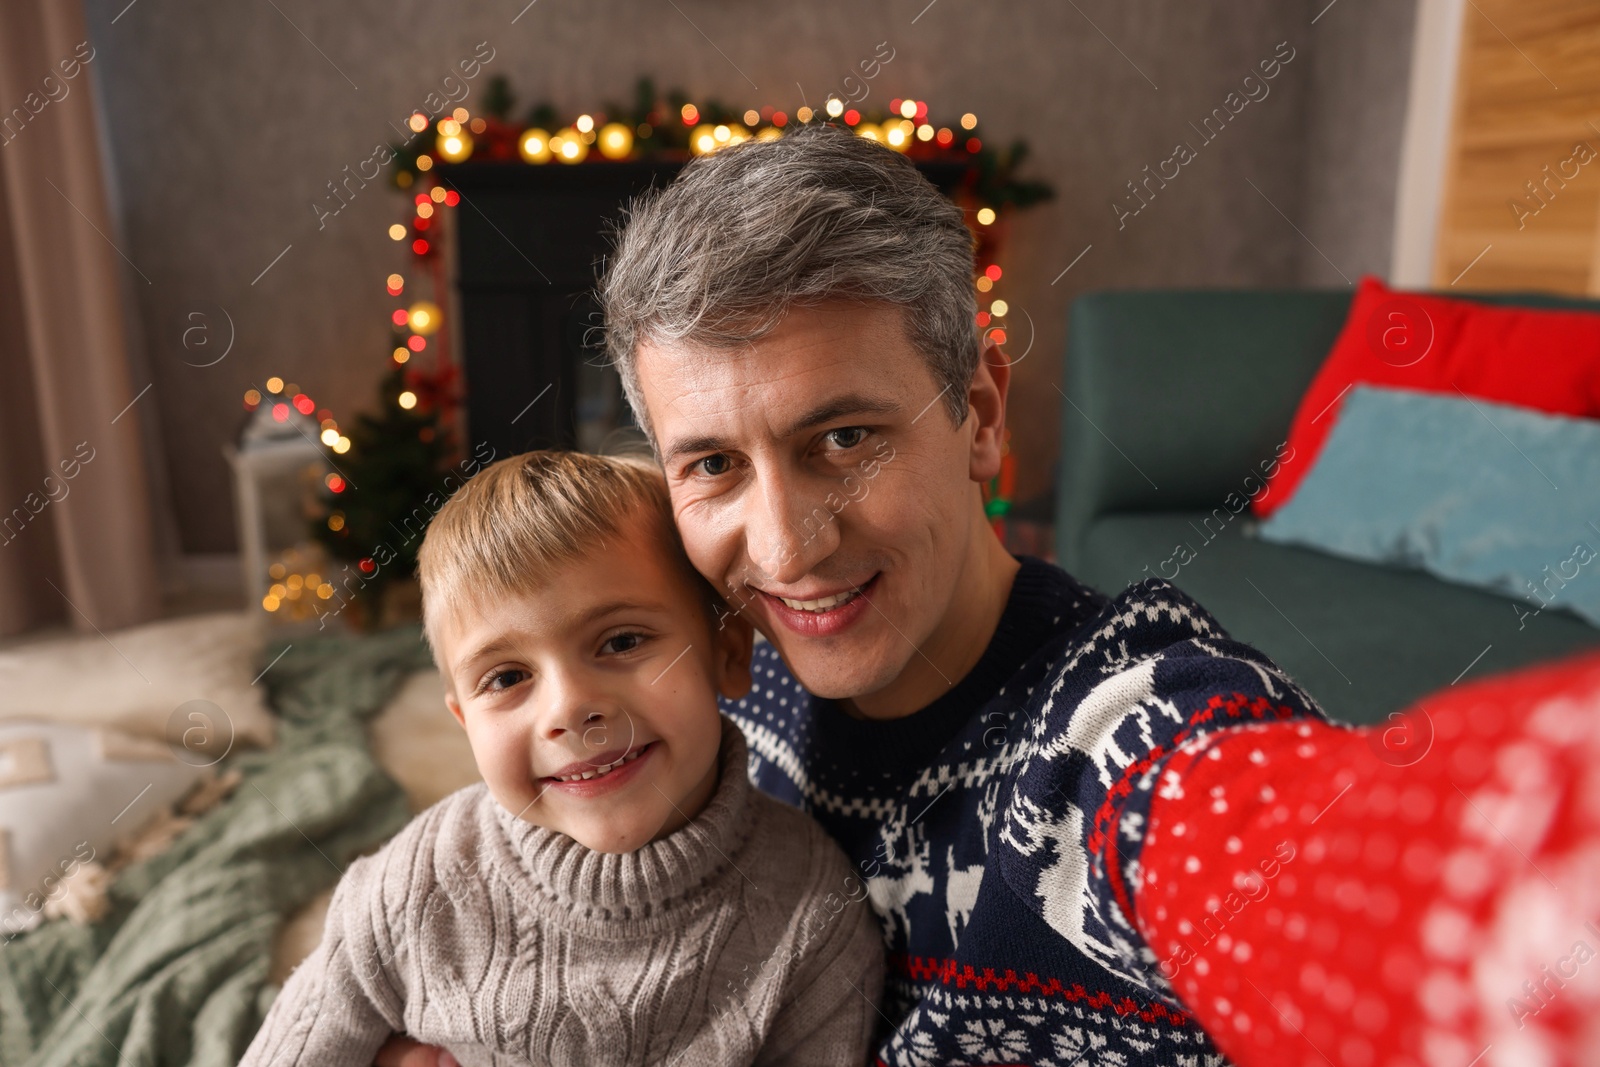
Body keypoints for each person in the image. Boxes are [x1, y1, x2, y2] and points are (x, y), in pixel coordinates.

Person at [378, 124, 1600, 1067]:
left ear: (977, 413)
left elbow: (1319, 860)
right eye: (711, 465)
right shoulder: (714, 671)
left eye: (844, 437)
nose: (787, 543)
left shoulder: (1127, 740)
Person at [244, 449, 884, 1067]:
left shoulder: (813, 913)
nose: (569, 708)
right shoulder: (407, 891)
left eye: (622, 640)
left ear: (729, 652)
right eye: (506, 677)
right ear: (465, 722)